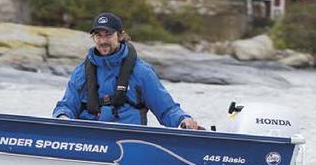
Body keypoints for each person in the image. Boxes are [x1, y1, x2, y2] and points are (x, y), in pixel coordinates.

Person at [53, 12, 204, 129]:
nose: (103, 41)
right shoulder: (80, 72)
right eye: (98, 35)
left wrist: (183, 120)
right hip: (89, 142)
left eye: (108, 35)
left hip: (130, 144)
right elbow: (66, 106)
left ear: (120, 36)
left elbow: (166, 109)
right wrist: (62, 117)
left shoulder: (142, 72)